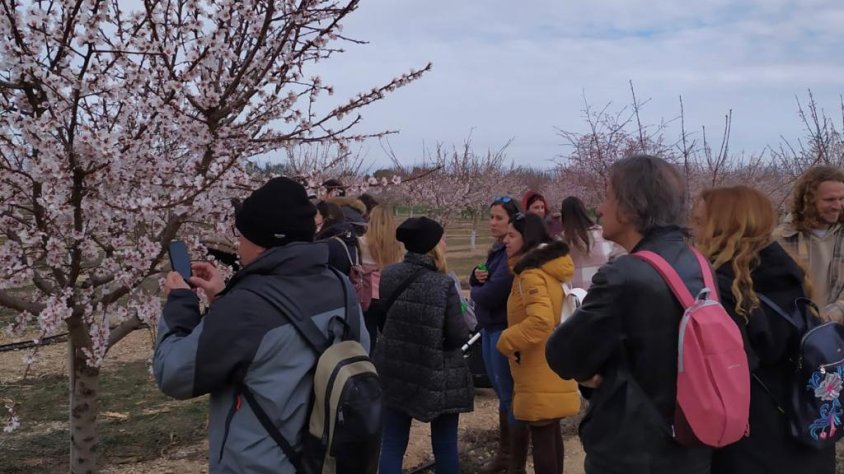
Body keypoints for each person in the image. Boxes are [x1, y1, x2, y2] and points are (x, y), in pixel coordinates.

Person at [154, 177, 369, 473]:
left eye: (240, 235)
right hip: (326, 460)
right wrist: (221, 298)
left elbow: (174, 373)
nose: (237, 242)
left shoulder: (246, 308)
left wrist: (181, 303)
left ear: (261, 242)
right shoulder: (340, 286)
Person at [546, 155, 712, 473]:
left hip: (633, 448)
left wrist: (593, 369)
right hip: (691, 439)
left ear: (631, 206)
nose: (601, 208)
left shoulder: (624, 275)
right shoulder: (698, 263)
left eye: (608, 196)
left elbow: (563, 354)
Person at [692, 185, 835, 474]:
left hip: (754, 439)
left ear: (721, 226)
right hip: (806, 425)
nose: (692, 231)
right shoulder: (790, 273)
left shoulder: (722, 288)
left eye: (698, 222)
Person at [374, 217, 473, 474]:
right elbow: (457, 336)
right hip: (436, 373)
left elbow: (385, 319)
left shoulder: (389, 274)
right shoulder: (443, 283)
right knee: (445, 445)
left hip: (396, 368)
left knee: (393, 443)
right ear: (433, 245)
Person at [496, 212, 580, 474]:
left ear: (527, 237)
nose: (504, 240)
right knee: (550, 431)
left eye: (511, 235)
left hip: (538, 364)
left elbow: (541, 320)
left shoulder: (531, 274)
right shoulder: (549, 268)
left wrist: (507, 340)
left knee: (543, 434)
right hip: (552, 360)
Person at [469, 196, 529, 474]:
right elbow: (483, 278)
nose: (492, 223)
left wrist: (477, 293)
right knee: (502, 394)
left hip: (503, 328)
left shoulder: (512, 256)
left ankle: (512, 460)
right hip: (490, 327)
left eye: (498, 218)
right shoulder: (498, 250)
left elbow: (493, 293)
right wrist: (475, 277)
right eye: (491, 217)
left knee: (508, 395)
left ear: (512, 221)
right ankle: (505, 455)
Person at [775, 165, 844, 321]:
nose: (837, 206)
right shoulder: (781, 240)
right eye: (830, 200)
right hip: (797, 334)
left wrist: (828, 317)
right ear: (808, 200)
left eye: (841, 199)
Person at [358, 205, 404, 349]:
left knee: (368, 336)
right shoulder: (398, 245)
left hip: (369, 296)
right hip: (391, 294)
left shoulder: (360, 243)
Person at [558, 195, 624, 289]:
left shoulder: (561, 241)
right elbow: (620, 258)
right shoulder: (603, 234)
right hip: (601, 290)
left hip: (574, 296)